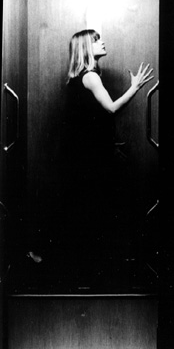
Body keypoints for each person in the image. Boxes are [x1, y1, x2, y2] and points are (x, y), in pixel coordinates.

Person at [61, 29, 154, 264]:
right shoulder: (91, 77)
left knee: (88, 207)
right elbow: (111, 109)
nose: (102, 42)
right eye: (96, 40)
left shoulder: (80, 77)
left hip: (84, 155)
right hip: (92, 156)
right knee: (101, 206)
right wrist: (135, 87)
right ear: (86, 48)